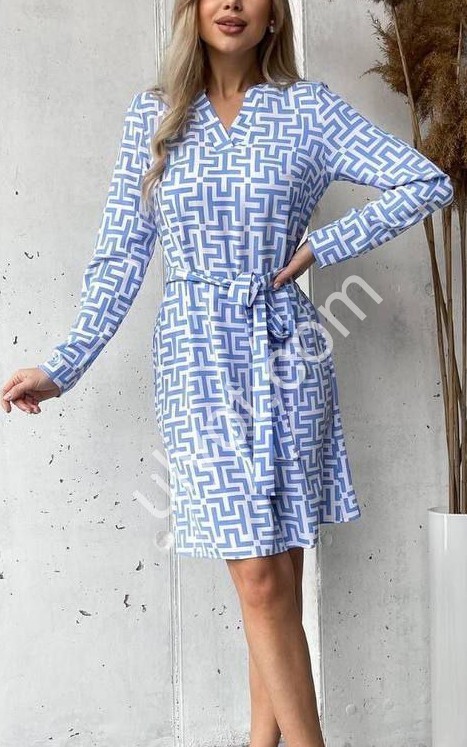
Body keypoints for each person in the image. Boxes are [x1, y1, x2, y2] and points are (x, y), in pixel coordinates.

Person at [1, 1, 454, 745]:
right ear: (192, 10)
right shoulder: (154, 118)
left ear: (274, 15)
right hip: (196, 359)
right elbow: (120, 254)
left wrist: (325, 245)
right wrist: (63, 364)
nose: (232, 3)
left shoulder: (308, 110)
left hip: (288, 353)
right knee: (260, 578)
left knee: (276, 579)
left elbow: (425, 183)